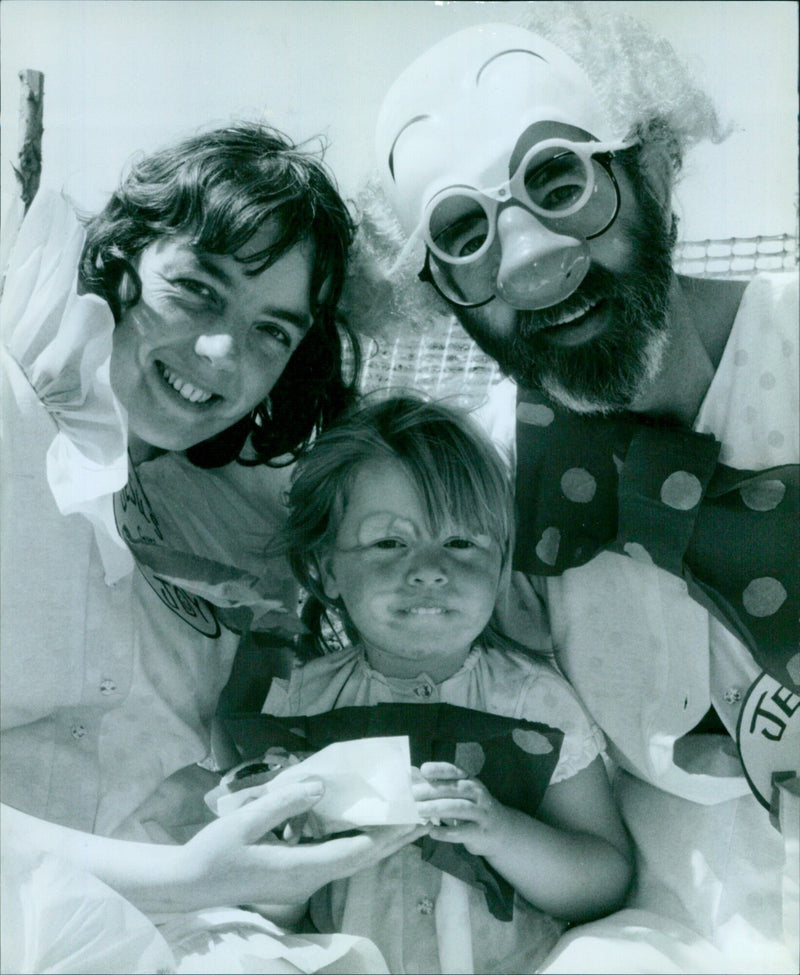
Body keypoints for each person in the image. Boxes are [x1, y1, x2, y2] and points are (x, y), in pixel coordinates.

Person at [364, 6, 799, 973]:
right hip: (664, 938)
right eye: (466, 233)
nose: (534, 263)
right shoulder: (479, 491)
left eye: (558, 179)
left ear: (650, 171)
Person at [0, 121, 422, 974]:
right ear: (120, 261)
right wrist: (183, 874)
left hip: (187, 933)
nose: (222, 354)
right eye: (197, 289)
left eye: (273, 330)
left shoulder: (237, 515)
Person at [249, 396, 634, 974]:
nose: (430, 568)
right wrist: (291, 855)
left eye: (460, 543)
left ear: (500, 563)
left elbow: (604, 878)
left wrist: (502, 833)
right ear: (329, 568)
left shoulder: (535, 703)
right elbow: (261, 908)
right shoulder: (297, 706)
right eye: (389, 543)